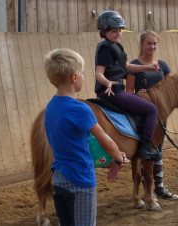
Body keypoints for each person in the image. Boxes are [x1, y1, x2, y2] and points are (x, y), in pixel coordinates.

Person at [44, 48, 129, 226]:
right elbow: (105, 141)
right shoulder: (80, 109)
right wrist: (118, 158)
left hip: (59, 178)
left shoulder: (51, 106)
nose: (83, 76)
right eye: (82, 73)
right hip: (80, 180)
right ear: (74, 78)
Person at [95, 10, 162, 161]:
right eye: (114, 31)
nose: (118, 34)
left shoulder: (117, 46)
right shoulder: (105, 49)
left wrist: (147, 68)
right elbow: (98, 73)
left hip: (117, 90)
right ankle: (146, 147)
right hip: (113, 92)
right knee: (152, 109)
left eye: (119, 31)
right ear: (104, 31)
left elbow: (128, 67)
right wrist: (107, 82)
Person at [126, 30, 178, 201]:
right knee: (145, 152)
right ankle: (147, 191)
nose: (152, 46)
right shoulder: (135, 65)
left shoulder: (162, 65)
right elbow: (128, 92)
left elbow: (172, 86)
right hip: (143, 115)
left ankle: (160, 188)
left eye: (155, 43)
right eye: (149, 43)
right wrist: (138, 93)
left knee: (158, 151)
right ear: (142, 45)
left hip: (160, 115)